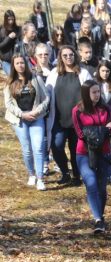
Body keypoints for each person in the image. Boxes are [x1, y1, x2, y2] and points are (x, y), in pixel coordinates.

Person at [72, 80, 111, 233]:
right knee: (91, 183)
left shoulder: (105, 108)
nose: (97, 95)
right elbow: (81, 133)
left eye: (98, 92)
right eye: (94, 92)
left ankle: (100, 214)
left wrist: (97, 131)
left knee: (101, 187)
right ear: (86, 94)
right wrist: (103, 130)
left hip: (103, 152)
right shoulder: (77, 111)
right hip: (84, 153)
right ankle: (97, 219)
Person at [46, 45, 93, 186]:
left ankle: (77, 175)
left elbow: (92, 91)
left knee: (76, 149)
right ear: (60, 57)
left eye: (71, 55)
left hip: (78, 120)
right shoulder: (54, 73)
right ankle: (65, 172)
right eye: (65, 55)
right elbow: (47, 93)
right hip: (59, 119)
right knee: (57, 145)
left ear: (75, 56)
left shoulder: (83, 73)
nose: (68, 57)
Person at [4, 53, 50, 191]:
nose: (20, 65)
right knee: (27, 150)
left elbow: (46, 98)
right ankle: (31, 174)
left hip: (36, 117)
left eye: (22, 63)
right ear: (13, 65)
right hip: (20, 119)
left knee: (39, 148)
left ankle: (40, 178)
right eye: (17, 63)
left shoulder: (35, 79)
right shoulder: (10, 82)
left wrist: (37, 111)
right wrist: (22, 115)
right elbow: (9, 104)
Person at [0, 10, 21, 77]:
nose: (11, 21)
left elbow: (21, 43)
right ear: (6, 19)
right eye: (9, 19)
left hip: (17, 58)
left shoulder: (17, 29)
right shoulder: (1, 30)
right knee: (12, 76)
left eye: (12, 19)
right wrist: (8, 38)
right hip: (6, 60)